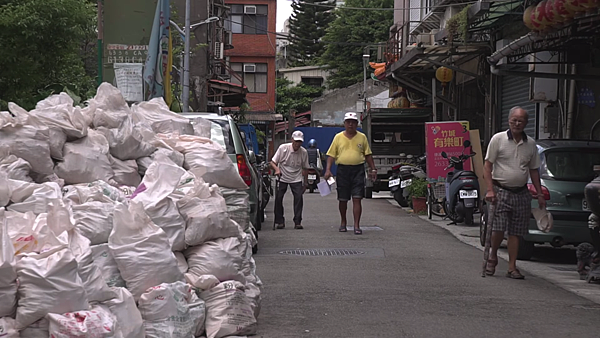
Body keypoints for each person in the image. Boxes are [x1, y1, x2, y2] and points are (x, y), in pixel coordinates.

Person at [484, 106, 546, 279]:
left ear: (526, 123)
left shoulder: (531, 144)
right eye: (514, 120)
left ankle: (512, 267)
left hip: (521, 193)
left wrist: (540, 194)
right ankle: (493, 256)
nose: (517, 124)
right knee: (498, 229)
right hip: (500, 191)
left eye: (521, 121)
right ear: (509, 121)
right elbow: (487, 166)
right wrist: (490, 189)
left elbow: (534, 170)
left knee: (516, 232)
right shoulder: (498, 139)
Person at [324, 112, 377, 235]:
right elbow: (331, 155)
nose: (350, 124)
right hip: (343, 170)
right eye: (348, 122)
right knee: (343, 199)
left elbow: (368, 155)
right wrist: (328, 170)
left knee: (357, 198)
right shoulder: (338, 137)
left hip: (358, 170)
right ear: (344, 124)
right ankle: (343, 222)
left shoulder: (362, 137)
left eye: (353, 122)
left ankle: (356, 225)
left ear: (357, 124)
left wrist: (373, 169)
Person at [271, 130, 311, 230]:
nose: (297, 144)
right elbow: (272, 162)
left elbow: (305, 168)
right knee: (279, 198)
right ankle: (280, 221)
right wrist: (277, 169)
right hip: (282, 176)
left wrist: (305, 183)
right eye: (296, 141)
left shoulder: (304, 152)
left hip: (296, 177)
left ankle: (297, 221)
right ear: (292, 140)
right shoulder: (283, 148)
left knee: (298, 198)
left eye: (300, 142)